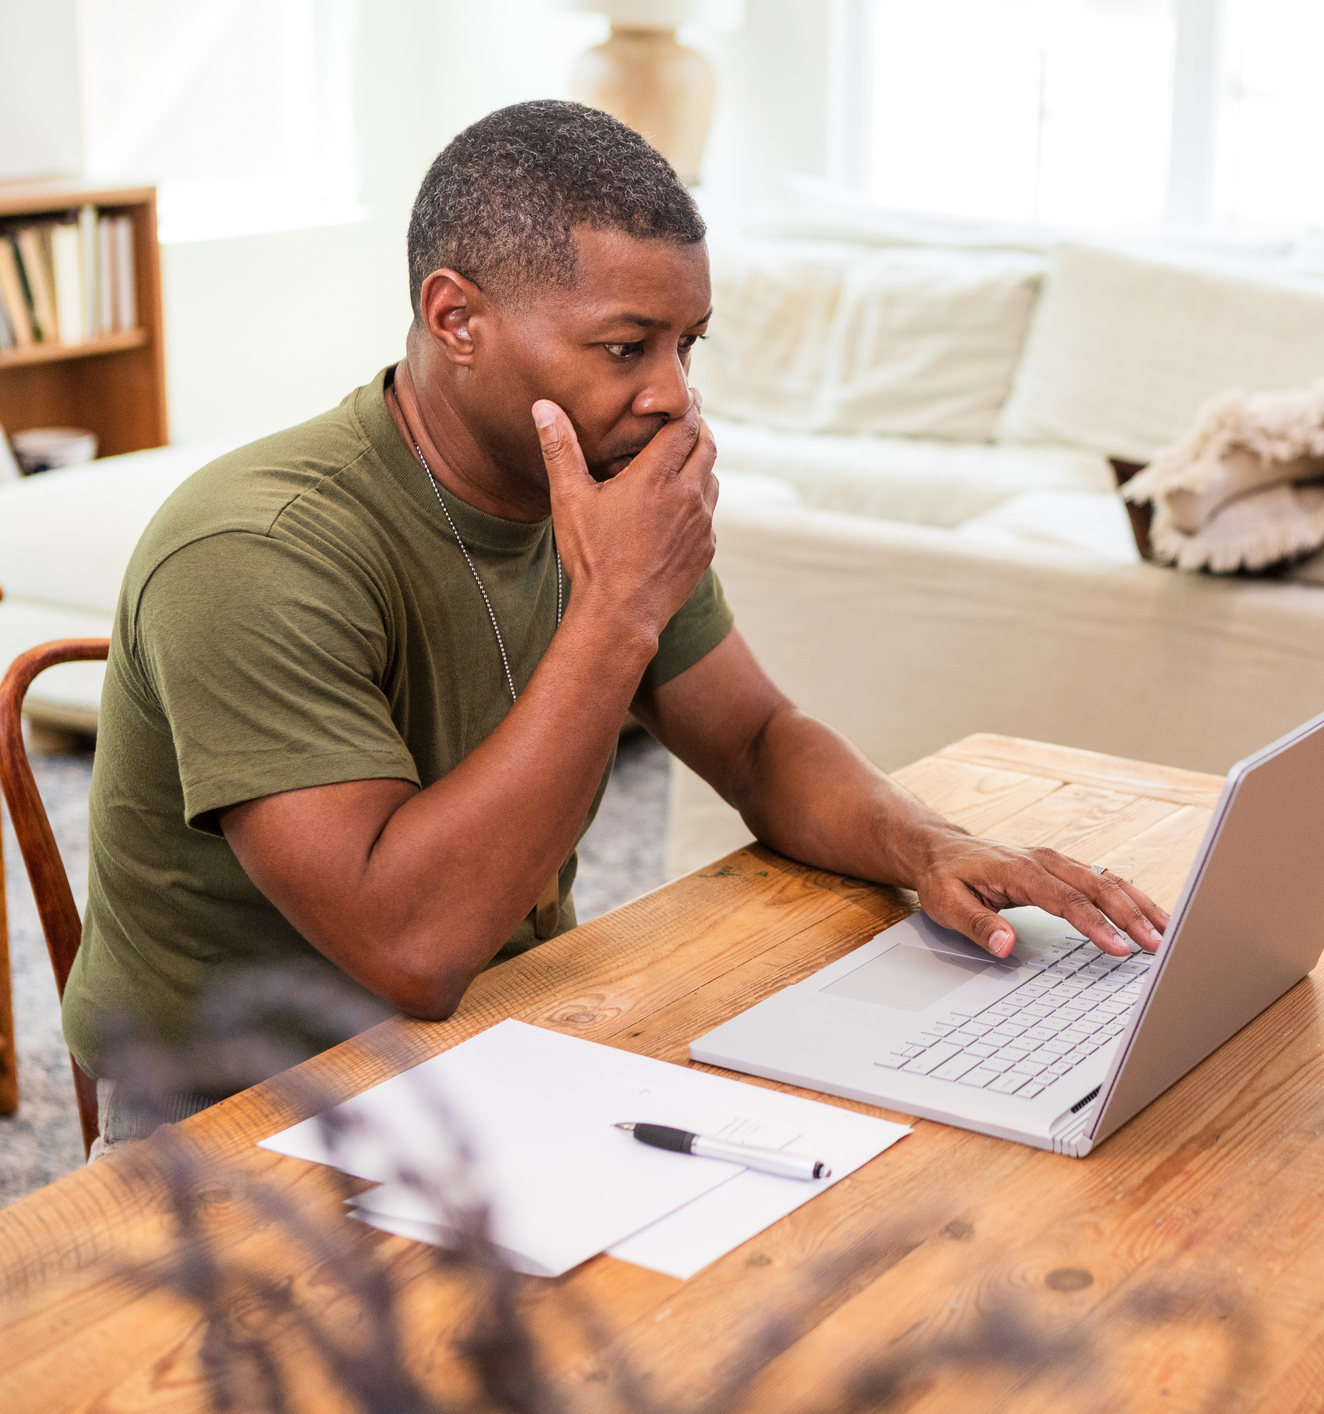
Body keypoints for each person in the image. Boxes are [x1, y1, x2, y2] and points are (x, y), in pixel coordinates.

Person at [64, 100, 1167, 1156]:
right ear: (457, 319)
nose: (675, 396)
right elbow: (412, 946)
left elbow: (755, 740)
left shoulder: (602, 483)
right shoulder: (256, 549)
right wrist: (620, 605)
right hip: (244, 1112)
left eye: (689, 343)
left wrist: (933, 845)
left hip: (501, 1037)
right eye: (628, 347)